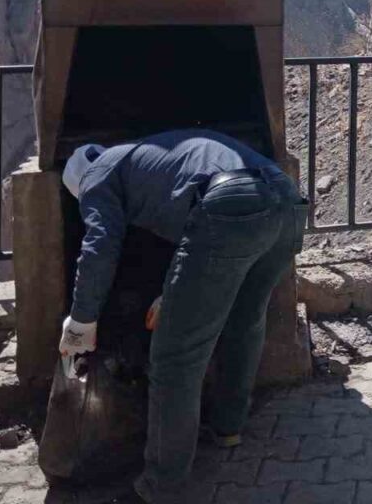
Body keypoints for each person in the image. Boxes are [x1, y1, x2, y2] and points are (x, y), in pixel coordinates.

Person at [59, 130, 304, 504]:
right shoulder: (148, 157)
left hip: (230, 206)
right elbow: (193, 231)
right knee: (244, 319)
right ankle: (228, 426)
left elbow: (99, 248)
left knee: (176, 358)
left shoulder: (95, 176)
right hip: (285, 201)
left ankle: (161, 487)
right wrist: (170, 291)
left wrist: (80, 322)